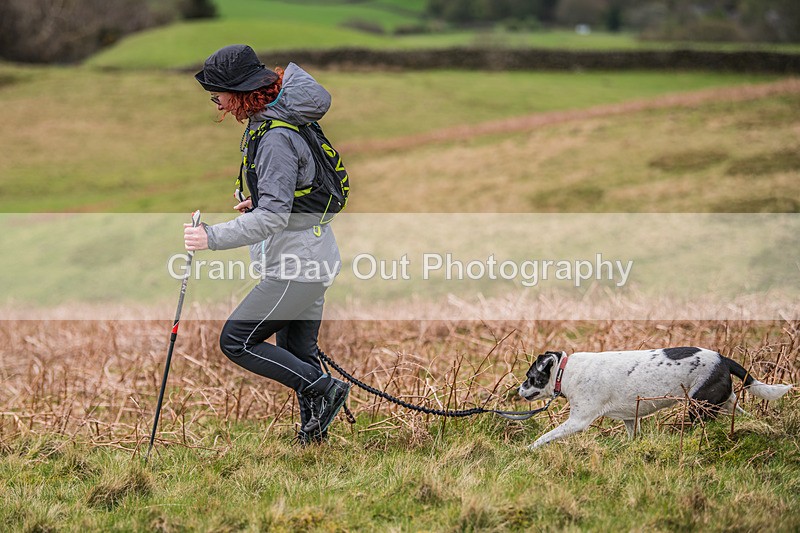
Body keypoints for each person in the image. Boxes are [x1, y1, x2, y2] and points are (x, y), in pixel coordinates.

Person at [184, 44, 349, 444]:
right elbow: (288, 197)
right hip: (310, 258)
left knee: (236, 341)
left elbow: (274, 217)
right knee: (298, 353)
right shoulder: (281, 120)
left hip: (296, 266)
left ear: (241, 92)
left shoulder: (275, 136)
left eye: (217, 93)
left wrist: (212, 237)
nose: (217, 102)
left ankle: (328, 390)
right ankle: (314, 440)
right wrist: (257, 202)